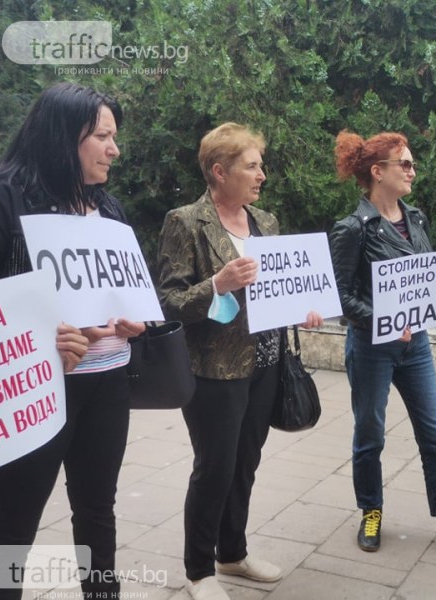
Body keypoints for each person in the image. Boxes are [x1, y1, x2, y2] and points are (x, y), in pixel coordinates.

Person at [0, 82, 144, 600]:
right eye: (102, 136)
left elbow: (131, 293)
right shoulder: (2, 199)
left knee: (98, 510)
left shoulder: (109, 209)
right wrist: (41, 338)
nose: (114, 149)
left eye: (114, 136)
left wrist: (136, 319)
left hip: (108, 383)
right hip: (33, 393)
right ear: (62, 137)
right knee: (13, 526)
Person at [156, 123, 322, 600]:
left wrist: (304, 308)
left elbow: (281, 290)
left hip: (266, 363)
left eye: (260, 165)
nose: (261, 175)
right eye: (251, 166)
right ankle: (199, 570)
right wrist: (218, 284)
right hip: (213, 370)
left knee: (246, 463)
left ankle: (233, 552)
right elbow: (168, 300)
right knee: (215, 467)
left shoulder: (265, 222)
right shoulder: (185, 221)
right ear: (218, 171)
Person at [328, 130, 436, 561]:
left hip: (415, 346)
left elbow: (425, 276)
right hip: (372, 348)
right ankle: (371, 509)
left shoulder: (417, 218)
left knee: (435, 438)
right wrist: (384, 320)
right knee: (370, 435)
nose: (412, 170)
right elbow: (341, 297)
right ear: (376, 171)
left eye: (412, 163)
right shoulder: (353, 229)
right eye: (403, 163)